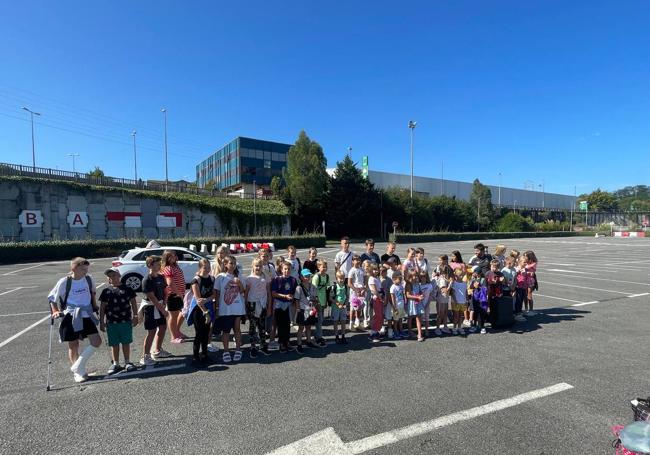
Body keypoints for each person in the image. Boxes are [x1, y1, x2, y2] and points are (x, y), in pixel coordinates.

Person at [48, 257, 102, 383]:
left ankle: (77, 366)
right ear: (74, 268)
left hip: (87, 314)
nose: (85, 271)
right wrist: (55, 311)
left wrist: (94, 306)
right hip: (70, 315)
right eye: (83, 269)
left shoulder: (89, 279)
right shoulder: (64, 281)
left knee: (96, 341)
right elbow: (52, 298)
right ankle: (79, 373)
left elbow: (92, 293)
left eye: (86, 269)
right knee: (73, 344)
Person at [99, 267, 138, 374]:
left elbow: (134, 303)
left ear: (119, 276)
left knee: (126, 342)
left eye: (114, 275)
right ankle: (116, 363)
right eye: (110, 276)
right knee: (114, 343)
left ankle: (127, 362)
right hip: (111, 322)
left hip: (125, 321)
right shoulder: (105, 291)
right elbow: (102, 308)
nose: (112, 277)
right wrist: (101, 321)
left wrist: (135, 316)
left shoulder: (127, 289)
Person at [139, 255, 169, 365]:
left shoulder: (161, 277)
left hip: (160, 305)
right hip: (150, 308)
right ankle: (145, 356)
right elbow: (152, 298)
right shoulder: (147, 279)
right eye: (157, 264)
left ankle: (157, 350)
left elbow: (166, 291)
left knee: (162, 327)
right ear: (149, 265)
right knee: (151, 332)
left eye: (160, 263)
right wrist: (163, 310)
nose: (159, 266)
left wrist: (165, 303)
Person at [215, 256, 245, 363]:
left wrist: (239, 283)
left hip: (237, 308)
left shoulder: (239, 276)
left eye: (234, 263)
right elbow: (217, 294)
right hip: (225, 309)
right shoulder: (220, 277)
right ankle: (226, 351)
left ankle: (238, 349)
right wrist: (217, 308)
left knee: (237, 329)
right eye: (230, 263)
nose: (232, 265)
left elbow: (243, 292)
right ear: (226, 264)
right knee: (226, 331)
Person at [188, 258, 216, 366]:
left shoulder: (212, 279)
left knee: (206, 333)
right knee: (199, 333)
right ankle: (195, 357)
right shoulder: (196, 280)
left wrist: (207, 300)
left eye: (208, 267)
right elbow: (198, 299)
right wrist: (206, 313)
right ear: (200, 268)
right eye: (205, 267)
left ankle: (204, 355)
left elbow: (214, 295)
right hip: (198, 310)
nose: (207, 269)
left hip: (208, 306)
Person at [244, 258, 271, 358]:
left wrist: (269, 307)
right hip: (252, 304)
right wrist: (245, 307)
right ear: (252, 266)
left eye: (260, 265)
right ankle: (253, 347)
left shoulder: (266, 277)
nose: (258, 267)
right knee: (252, 326)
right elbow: (246, 294)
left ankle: (263, 345)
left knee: (262, 326)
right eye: (256, 266)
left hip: (263, 304)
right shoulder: (249, 279)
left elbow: (268, 292)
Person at [271, 262, 298, 353]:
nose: (287, 271)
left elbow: (295, 293)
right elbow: (273, 293)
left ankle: (287, 342)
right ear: (281, 270)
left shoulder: (293, 280)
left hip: (288, 305)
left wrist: (293, 298)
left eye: (288, 269)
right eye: (285, 269)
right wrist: (285, 296)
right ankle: (281, 342)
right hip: (279, 305)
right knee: (280, 324)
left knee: (287, 324)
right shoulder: (277, 279)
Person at [161, 250, 186, 343]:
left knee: (177, 315)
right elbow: (170, 283)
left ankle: (177, 333)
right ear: (166, 258)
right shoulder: (168, 268)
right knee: (173, 316)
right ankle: (174, 337)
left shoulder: (175, 266)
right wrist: (179, 293)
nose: (173, 258)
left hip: (178, 295)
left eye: (174, 256)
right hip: (173, 295)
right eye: (170, 256)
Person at [294, 269, 319, 353]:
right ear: (301, 277)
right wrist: (298, 309)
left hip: (310, 310)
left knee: (308, 326)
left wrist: (315, 306)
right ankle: (299, 344)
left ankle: (308, 341)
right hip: (302, 309)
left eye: (309, 276)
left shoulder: (313, 286)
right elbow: (296, 300)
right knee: (301, 328)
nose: (307, 277)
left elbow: (315, 298)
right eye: (305, 276)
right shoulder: (299, 287)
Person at [311, 259, 329, 347]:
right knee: (318, 321)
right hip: (317, 302)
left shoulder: (327, 276)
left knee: (320, 320)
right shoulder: (316, 277)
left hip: (323, 301)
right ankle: (318, 337)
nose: (325, 268)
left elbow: (326, 289)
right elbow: (313, 290)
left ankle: (316, 336)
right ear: (318, 267)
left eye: (326, 267)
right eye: (323, 267)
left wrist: (325, 301)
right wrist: (316, 302)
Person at [405, 271, 425, 341]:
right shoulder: (408, 284)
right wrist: (417, 297)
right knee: (410, 317)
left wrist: (421, 294)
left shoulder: (417, 284)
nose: (416, 277)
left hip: (418, 302)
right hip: (412, 303)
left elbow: (420, 291)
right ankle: (410, 331)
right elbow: (407, 295)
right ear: (410, 277)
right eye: (414, 276)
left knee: (418, 317)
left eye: (416, 275)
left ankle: (419, 334)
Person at [330, 271, 349, 344]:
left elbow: (347, 296)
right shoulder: (334, 287)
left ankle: (343, 335)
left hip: (343, 307)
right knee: (336, 322)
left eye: (343, 278)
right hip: (336, 307)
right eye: (340, 278)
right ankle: (336, 336)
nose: (342, 280)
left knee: (343, 321)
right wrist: (338, 304)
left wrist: (345, 304)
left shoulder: (346, 286)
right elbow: (331, 298)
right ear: (336, 278)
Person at [347, 255, 365, 329]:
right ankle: (351, 323)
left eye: (359, 260)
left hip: (361, 291)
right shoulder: (352, 270)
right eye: (356, 260)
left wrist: (363, 289)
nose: (357, 261)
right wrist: (356, 290)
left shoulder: (362, 269)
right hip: (354, 291)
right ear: (352, 261)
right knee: (353, 307)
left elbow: (364, 280)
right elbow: (349, 283)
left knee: (359, 307)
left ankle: (357, 322)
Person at [448, 268, 468, 335]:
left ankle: (459, 327)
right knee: (456, 316)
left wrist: (466, 300)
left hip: (463, 302)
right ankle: (454, 327)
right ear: (455, 275)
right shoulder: (454, 283)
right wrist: (455, 300)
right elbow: (453, 293)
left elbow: (466, 292)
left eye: (462, 275)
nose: (461, 276)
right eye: (459, 275)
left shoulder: (465, 283)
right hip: (455, 302)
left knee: (460, 316)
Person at [366, 263, 383, 342]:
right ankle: (373, 334)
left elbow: (380, 288)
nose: (376, 271)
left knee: (379, 316)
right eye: (374, 269)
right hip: (376, 299)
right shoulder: (371, 279)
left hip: (379, 298)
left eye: (377, 269)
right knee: (376, 316)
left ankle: (376, 331)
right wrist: (380, 298)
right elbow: (375, 291)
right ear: (371, 270)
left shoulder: (377, 278)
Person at [434, 265, 452, 335]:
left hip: (445, 299)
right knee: (440, 314)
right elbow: (445, 290)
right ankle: (437, 328)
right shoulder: (442, 279)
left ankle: (445, 326)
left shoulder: (446, 279)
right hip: (441, 299)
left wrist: (449, 282)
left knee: (445, 313)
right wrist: (450, 284)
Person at [389, 272, 406, 339]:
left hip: (401, 305)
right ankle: (395, 331)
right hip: (396, 306)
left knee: (400, 318)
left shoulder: (401, 286)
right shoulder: (393, 287)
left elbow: (402, 295)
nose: (401, 280)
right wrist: (394, 308)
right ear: (394, 279)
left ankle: (401, 330)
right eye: (399, 279)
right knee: (396, 320)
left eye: (401, 279)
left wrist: (404, 302)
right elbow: (392, 298)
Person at [514, 256, 530, 321]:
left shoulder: (525, 268)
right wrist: (518, 271)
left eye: (527, 262)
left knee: (522, 299)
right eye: (524, 262)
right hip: (518, 286)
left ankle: (519, 311)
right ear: (520, 262)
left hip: (524, 286)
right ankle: (517, 313)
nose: (526, 264)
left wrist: (526, 273)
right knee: (518, 299)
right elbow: (514, 275)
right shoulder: (516, 268)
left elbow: (526, 277)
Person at [524, 250, 539, 316]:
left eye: (525, 257)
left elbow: (532, 273)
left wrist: (525, 269)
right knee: (525, 294)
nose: (524, 258)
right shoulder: (525, 262)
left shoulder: (534, 263)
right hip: (524, 279)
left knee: (529, 294)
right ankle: (526, 308)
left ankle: (531, 309)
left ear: (529, 257)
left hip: (530, 280)